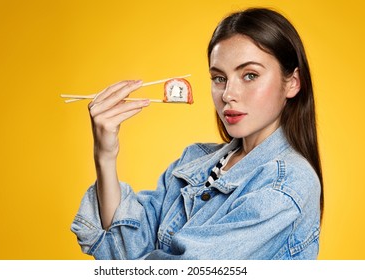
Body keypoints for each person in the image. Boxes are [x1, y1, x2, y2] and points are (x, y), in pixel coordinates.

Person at [71, 7, 323, 260]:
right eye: (219, 78)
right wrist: (105, 154)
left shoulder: (286, 185)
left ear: (292, 82)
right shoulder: (193, 161)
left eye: (250, 75)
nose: (227, 94)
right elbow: (125, 248)